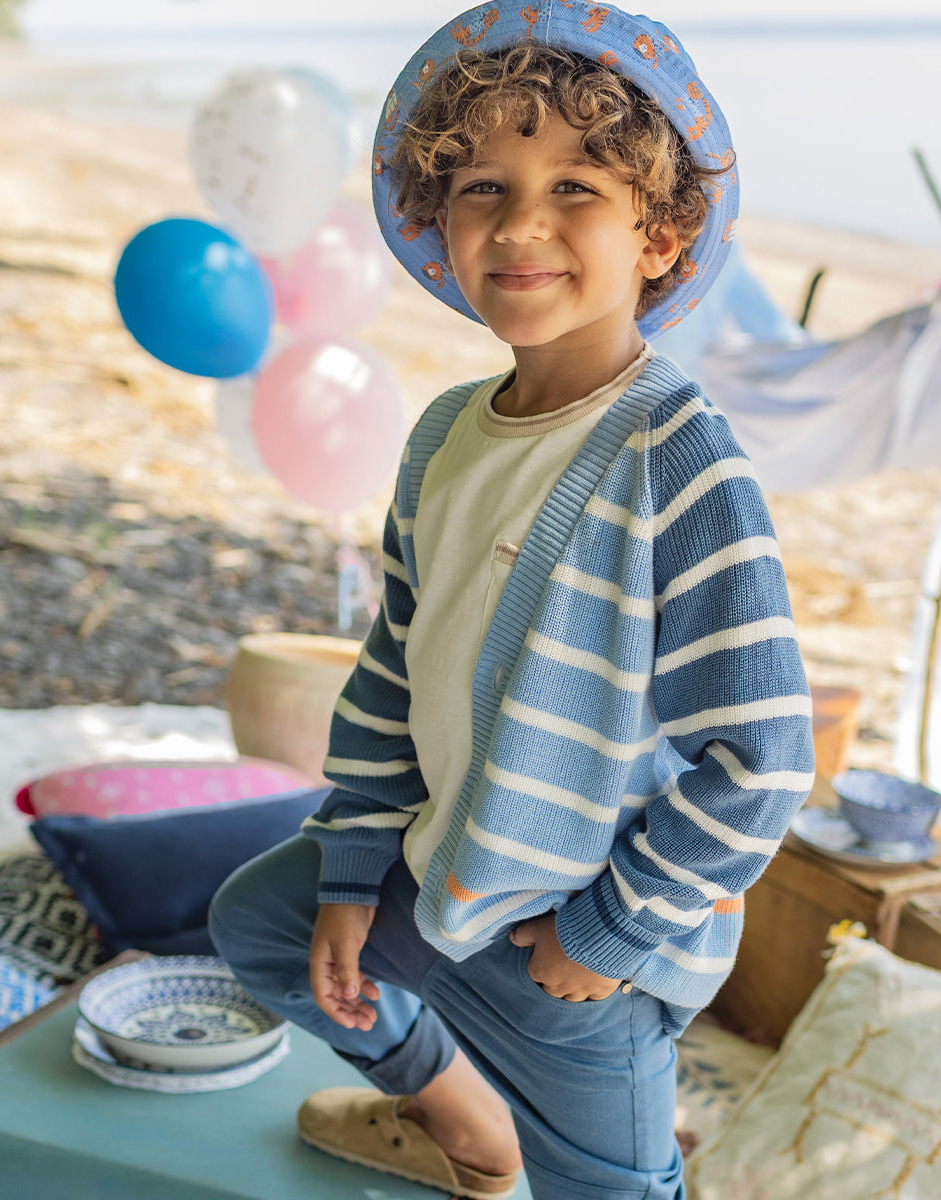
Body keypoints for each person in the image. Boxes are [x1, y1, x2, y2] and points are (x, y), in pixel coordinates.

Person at [209, 4, 814, 1197]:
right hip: (429, 882)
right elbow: (393, 666)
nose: (521, 223)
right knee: (260, 925)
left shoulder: (679, 462)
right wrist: (346, 868)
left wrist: (612, 935)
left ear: (663, 231)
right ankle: (465, 1122)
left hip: (572, 952)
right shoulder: (443, 438)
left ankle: (547, 1125)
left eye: (578, 186)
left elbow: (762, 761)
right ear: (440, 219)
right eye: (482, 184)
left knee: (613, 1187)